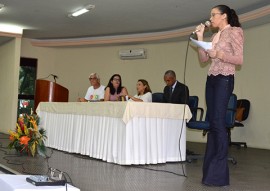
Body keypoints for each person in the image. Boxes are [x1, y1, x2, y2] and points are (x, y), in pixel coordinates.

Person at [195, 5, 244, 186]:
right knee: (213, 123)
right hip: (212, 79)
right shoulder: (215, 36)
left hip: (225, 79)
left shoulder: (235, 32)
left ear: (223, 16)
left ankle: (219, 175)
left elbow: (239, 59)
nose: (211, 18)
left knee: (218, 122)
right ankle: (210, 174)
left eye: (213, 15)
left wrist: (220, 54)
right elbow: (203, 59)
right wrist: (201, 38)